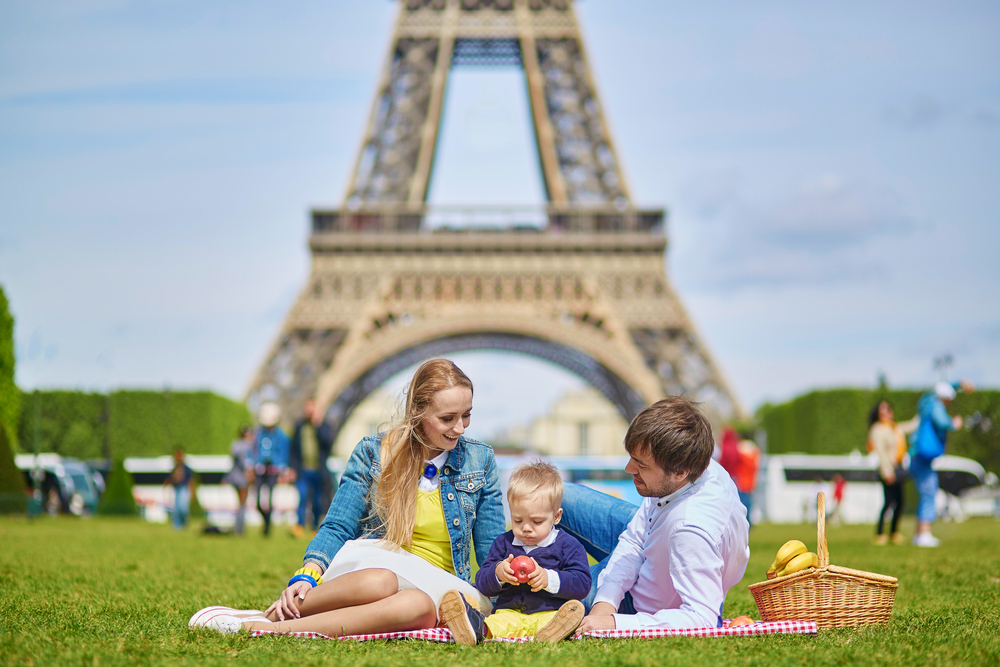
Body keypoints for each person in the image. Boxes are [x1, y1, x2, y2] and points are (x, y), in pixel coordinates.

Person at [189, 359, 505, 637]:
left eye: (467, 415)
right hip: (378, 571)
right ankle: (279, 611)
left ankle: (269, 628)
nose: (460, 428)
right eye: (448, 418)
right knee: (381, 581)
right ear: (418, 413)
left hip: (441, 587)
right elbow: (338, 524)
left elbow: (492, 551)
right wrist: (308, 573)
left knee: (419, 606)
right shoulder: (373, 452)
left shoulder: (481, 461)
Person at [558, 397, 750, 632]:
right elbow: (635, 537)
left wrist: (615, 621)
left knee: (532, 594)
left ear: (680, 471)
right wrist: (605, 600)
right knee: (551, 494)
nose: (628, 469)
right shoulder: (698, 465)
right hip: (658, 549)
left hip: (644, 601)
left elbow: (702, 619)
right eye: (632, 457)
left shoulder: (690, 529)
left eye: (642, 465)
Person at [439, 461, 591, 645]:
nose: (526, 528)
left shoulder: (568, 545)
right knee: (498, 623)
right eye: (518, 520)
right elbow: (482, 582)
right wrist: (498, 574)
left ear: (556, 516)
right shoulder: (503, 543)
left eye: (536, 521)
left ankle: (553, 631)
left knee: (563, 615)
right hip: (510, 613)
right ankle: (475, 628)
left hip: (550, 611)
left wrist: (547, 578)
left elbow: (582, 583)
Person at [909, 381, 973, 547]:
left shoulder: (927, 401)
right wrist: (954, 423)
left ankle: (919, 534)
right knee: (929, 491)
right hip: (922, 458)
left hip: (917, 456)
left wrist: (959, 383)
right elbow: (942, 421)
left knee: (926, 492)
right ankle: (924, 534)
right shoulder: (935, 406)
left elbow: (941, 387)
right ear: (944, 399)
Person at [867, 401, 917, 545]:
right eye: (883, 411)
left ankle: (894, 533)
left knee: (900, 502)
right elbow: (881, 452)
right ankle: (880, 533)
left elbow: (912, 425)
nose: (887, 413)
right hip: (887, 469)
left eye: (888, 409)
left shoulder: (895, 427)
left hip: (899, 468)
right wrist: (887, 471)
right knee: (888, 502)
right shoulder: (877, 429)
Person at [288, 399, 335, 538]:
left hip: (319, 470)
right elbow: (293, 449)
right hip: (303, 469)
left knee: (317, 499)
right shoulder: (299, 426)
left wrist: (318, 425)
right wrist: (291, 468)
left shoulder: (324, 426)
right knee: (302, 497)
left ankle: (315, 526)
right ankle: (300, 525)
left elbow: (328, 444)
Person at [250, 403, 290, 537]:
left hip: (273, 471)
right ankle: (265, 521)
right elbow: (253, 450)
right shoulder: (258, 433)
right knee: (257, 501)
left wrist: (281, 468)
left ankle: (267, 527)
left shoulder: (281, 435)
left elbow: (283, 453)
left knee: (270, 499)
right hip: (260, 470)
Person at [222, 424, 254, 535]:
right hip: (242, 478)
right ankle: (239, 529)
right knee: (242, 503)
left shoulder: (235, 444)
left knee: (240, 503)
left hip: (234, 477)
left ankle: (239, 527)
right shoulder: (247, 446)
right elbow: (245, 463)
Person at [733, 434, 760, 527]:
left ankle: (743, 523)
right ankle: (748, 523)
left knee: (741, 505)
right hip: (750, 482)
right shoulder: (754, 452)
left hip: (741, 481)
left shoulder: (740, 451)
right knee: (748, 504)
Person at [164, 448, 194, 531]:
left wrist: (192, 493)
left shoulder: (186, 469)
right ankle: (177, 527)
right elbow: (169, 479)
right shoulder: (174, 468)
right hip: (176, 489)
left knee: (183, 508)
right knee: (176, 509)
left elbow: (191, 481)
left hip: (183, 489)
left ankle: (183, 524)